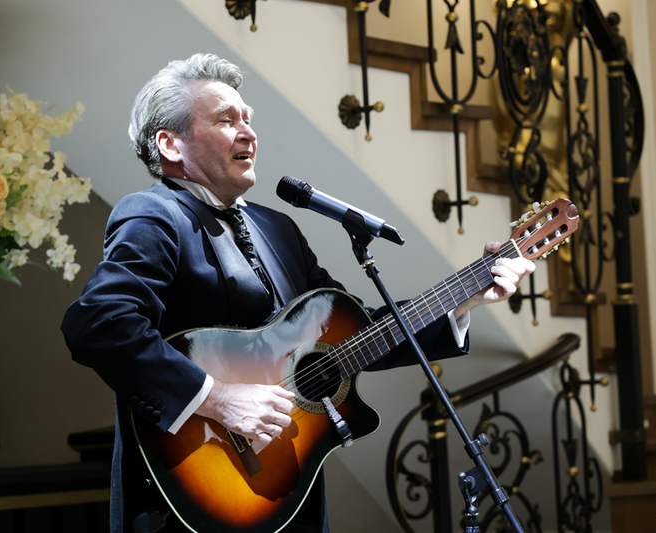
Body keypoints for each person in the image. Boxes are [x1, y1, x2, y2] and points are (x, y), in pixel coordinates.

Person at [60, 53, 535, 533]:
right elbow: (99, 325)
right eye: (226, 120)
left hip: (289, 497)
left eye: (248, 119)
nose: (248, 133)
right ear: (170, 144)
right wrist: (218, 398)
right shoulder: (153, 214)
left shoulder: (278, 228)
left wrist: (466, 296)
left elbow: (354, 334)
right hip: (191, 501)